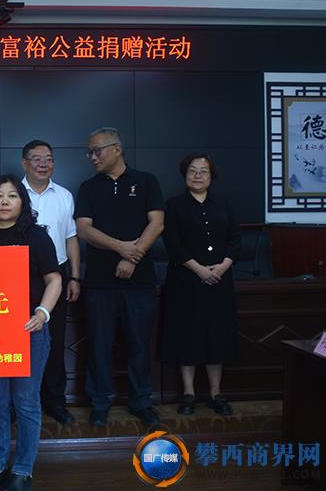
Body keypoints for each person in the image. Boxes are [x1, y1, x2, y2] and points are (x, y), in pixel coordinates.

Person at [0, 174, 62, 491]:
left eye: (12, 195)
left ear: (22, 201)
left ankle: (22, 471)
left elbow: (54, 279)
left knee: (25, 402)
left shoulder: (36, 236)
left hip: (29, 330)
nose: (5, 201)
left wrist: (42, 313)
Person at [74, 127, 164, 427]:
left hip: (140, 281)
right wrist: (122, 248)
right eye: (89, 152)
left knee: (139, 344)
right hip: (100, 281)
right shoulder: (88, 187)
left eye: (97, 150)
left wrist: (132, 257)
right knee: (99, 344)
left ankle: (141, 402)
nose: (92, 157)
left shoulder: (146, 181)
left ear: (117, 149)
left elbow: (157, 223)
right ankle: (100, 402)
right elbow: (84, 229)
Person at [161, 153, 240, 416]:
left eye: (203, 171)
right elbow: (173, 244)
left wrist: (222, 267)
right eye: (192, 171)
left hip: (219, 281)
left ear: (211, 176)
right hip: (185, 282)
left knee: (217, 336)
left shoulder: (224, 204)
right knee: (188, 335)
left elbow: (235, 240)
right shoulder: (173, 206)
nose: (197, 175)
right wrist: (199, 270)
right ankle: (188, 393)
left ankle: (216, 393)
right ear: (185, 175)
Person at [20, 139, 81, 425]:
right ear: (24, 163)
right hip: (20, 275)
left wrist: (75, 276)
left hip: (56, 275)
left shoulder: (64, 195)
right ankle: (21, 402)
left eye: (49, 159)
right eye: (37, 158)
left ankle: (54, 400)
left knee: (53, 341)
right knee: (19, 340)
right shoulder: (13, 193)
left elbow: (71, 238)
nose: (43, 164)